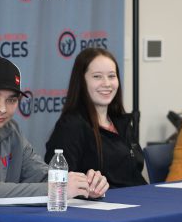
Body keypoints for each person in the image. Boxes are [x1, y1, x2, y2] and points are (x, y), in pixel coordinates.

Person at [0, 56, 108, 199]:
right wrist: (55, 189)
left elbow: (42, 175)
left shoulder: (11, 131)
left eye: (11, 100)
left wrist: (85, 185)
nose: (2, 108)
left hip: (2, 221)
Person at [44, 47, 147, 188]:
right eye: (97, 76)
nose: (107, 83)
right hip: (98, 207)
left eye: (112, 76)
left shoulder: (120, 121)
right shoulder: (71, 126)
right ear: (81, 81)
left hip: (139, 200)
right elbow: (59, 185)